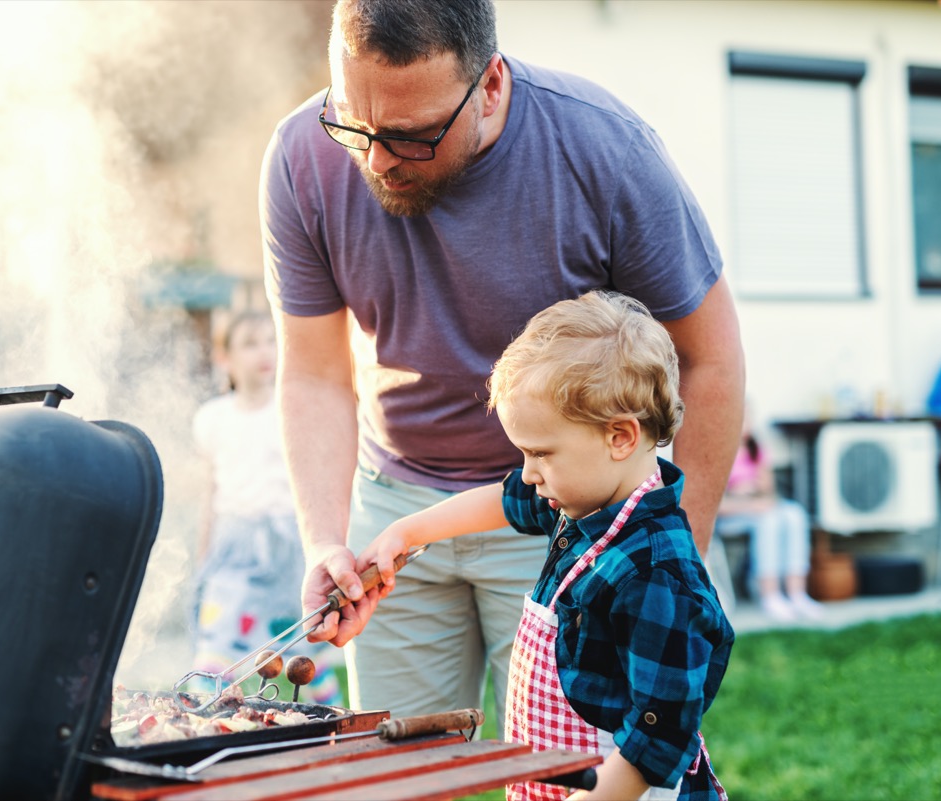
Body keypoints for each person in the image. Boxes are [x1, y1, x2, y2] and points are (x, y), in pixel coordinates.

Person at [259, 0, 745, 729]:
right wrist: (330, 539)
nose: (377, 158)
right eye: (353, 124)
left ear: (488, 86)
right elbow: (316, 373)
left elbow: (710, 358)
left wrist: (675, 559)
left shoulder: (606, 152)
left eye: (413, 135)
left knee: (572, 771)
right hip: (395, 509)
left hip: (571, 507)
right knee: (398, 772)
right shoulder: (300, 157)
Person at [360, 292, 733, 801]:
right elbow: (504, 499)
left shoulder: (656, 574)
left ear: (620, 436)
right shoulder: (581, 501)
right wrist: (408, 532)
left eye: (540, 453)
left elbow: (657, 739)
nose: (529, 472)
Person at [189, 310, 342, 706]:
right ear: (225, 358)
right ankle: (207, 721)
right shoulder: (212, 418)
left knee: (293, 649)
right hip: (234, 545)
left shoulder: (290, 411)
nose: (263, 352)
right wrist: (203, 555)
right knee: (218, 645)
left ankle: (318, 725)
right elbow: (211, 493)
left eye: (270, 341)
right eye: (249, 343)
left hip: (287, 545)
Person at [716, 410, 823, 623]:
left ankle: (797, 592)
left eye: (749, 418)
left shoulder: (757, 451)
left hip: (758, 507)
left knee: (794, 514)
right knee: (769, 520)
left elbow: (770, 493)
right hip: (730, 517)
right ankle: (769, 593)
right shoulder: (718, 452)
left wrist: (759, 491)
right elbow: (717, 504)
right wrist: (743, 498)